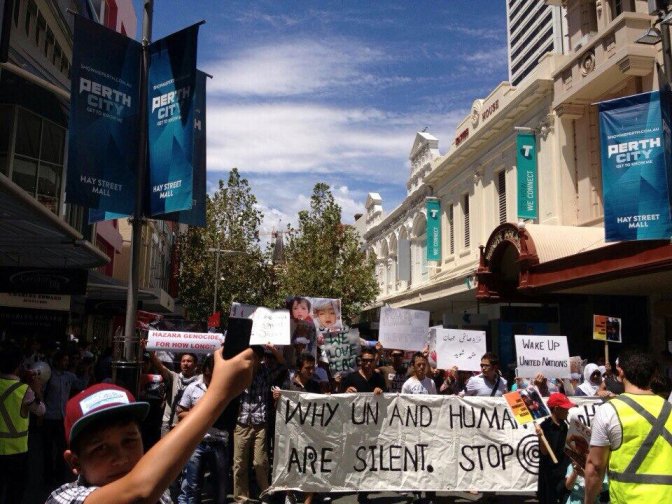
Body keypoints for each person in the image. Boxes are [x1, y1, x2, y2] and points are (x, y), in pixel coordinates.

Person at [45, 348, 253, 504]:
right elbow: (139, 492)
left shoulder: (161, 496)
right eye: (101, 448)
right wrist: (219, 393)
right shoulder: (64, 498)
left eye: (129, 441)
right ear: (75, 462)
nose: (121, 458)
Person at [584, 349, 672, 503]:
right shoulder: (669, 409)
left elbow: (595, 467)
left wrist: (588, 501)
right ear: (654, 375)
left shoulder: (608, 411)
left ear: (620, 371)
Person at [233, 345, 285, 503]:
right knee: (239, 464)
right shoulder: (239, 371)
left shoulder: (265, 372)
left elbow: (282, 365)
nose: (251, 360)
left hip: (260, 424)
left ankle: (265, 495)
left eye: (254, 357)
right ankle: (241, 498)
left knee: (260, 463)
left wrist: (272, 349)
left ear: (260, 359)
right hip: (242, 424)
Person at [176, 354, 229, 504]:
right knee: (192, 485)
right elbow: (180, 413)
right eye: (207, 375)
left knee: (220, 486)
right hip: (197, 442)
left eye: (213, 375)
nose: (210, 378)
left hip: (218, 441)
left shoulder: (225, 389)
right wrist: (199, 414)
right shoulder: (193, 388)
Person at [0, 345, 46, 502]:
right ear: (18, 366)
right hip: (17, 451)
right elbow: (41, 411)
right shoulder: (24, 390)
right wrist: (37, 389)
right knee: (15, 492)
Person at [43, 349, 91, 486]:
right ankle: (47, 476)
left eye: (67, 361)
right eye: (63, 360)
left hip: (62, 418)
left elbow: (81, 385)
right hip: (49, 416)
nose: (66, 363)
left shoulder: (69, 376)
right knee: (47, 448)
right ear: (57, 361)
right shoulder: (49, 376)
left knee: (61, 448)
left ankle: (59, 475)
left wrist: (87, 371)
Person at [534, 392, 574, 504]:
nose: (568, 411)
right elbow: (544, 452)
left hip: (562, 472)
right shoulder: (544, 427)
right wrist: (541, 437)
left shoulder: (564, 425)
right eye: (565, 408)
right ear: (556, 409)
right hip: (549, 475)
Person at [149, 351, 200, 435]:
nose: (185, 364)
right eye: (183, 361)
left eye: (189, 361)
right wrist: (150, 352)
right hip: (169, 423)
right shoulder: (173, 377)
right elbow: (160, 367)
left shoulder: (200, 381)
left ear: (195, 365)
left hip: (188, 424)